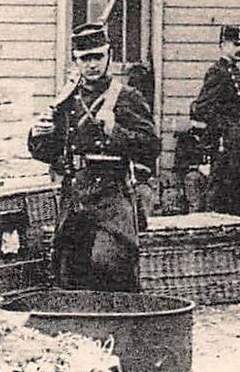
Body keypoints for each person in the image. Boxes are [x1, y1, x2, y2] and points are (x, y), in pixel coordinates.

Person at [28, 22, 160, 292]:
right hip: (75, 197)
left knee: (110, 265)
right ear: (76, 60)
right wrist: (38, 134)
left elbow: (151, 147)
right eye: (85, 59)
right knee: (69, 272)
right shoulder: (67, 100)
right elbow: (49, 152)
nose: (92, 65)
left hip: (112, 197)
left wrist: (115, 130)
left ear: (108, 56)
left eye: (98, 57)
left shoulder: (126, 97)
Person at [190, 25, 240, 221]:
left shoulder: (234, 71)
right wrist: (226, 125)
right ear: (223, 46)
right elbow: (202, 108)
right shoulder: (218, 71)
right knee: (220, 189)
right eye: (235, 44)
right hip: (224, 143)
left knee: (237, 188)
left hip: (238, 142)